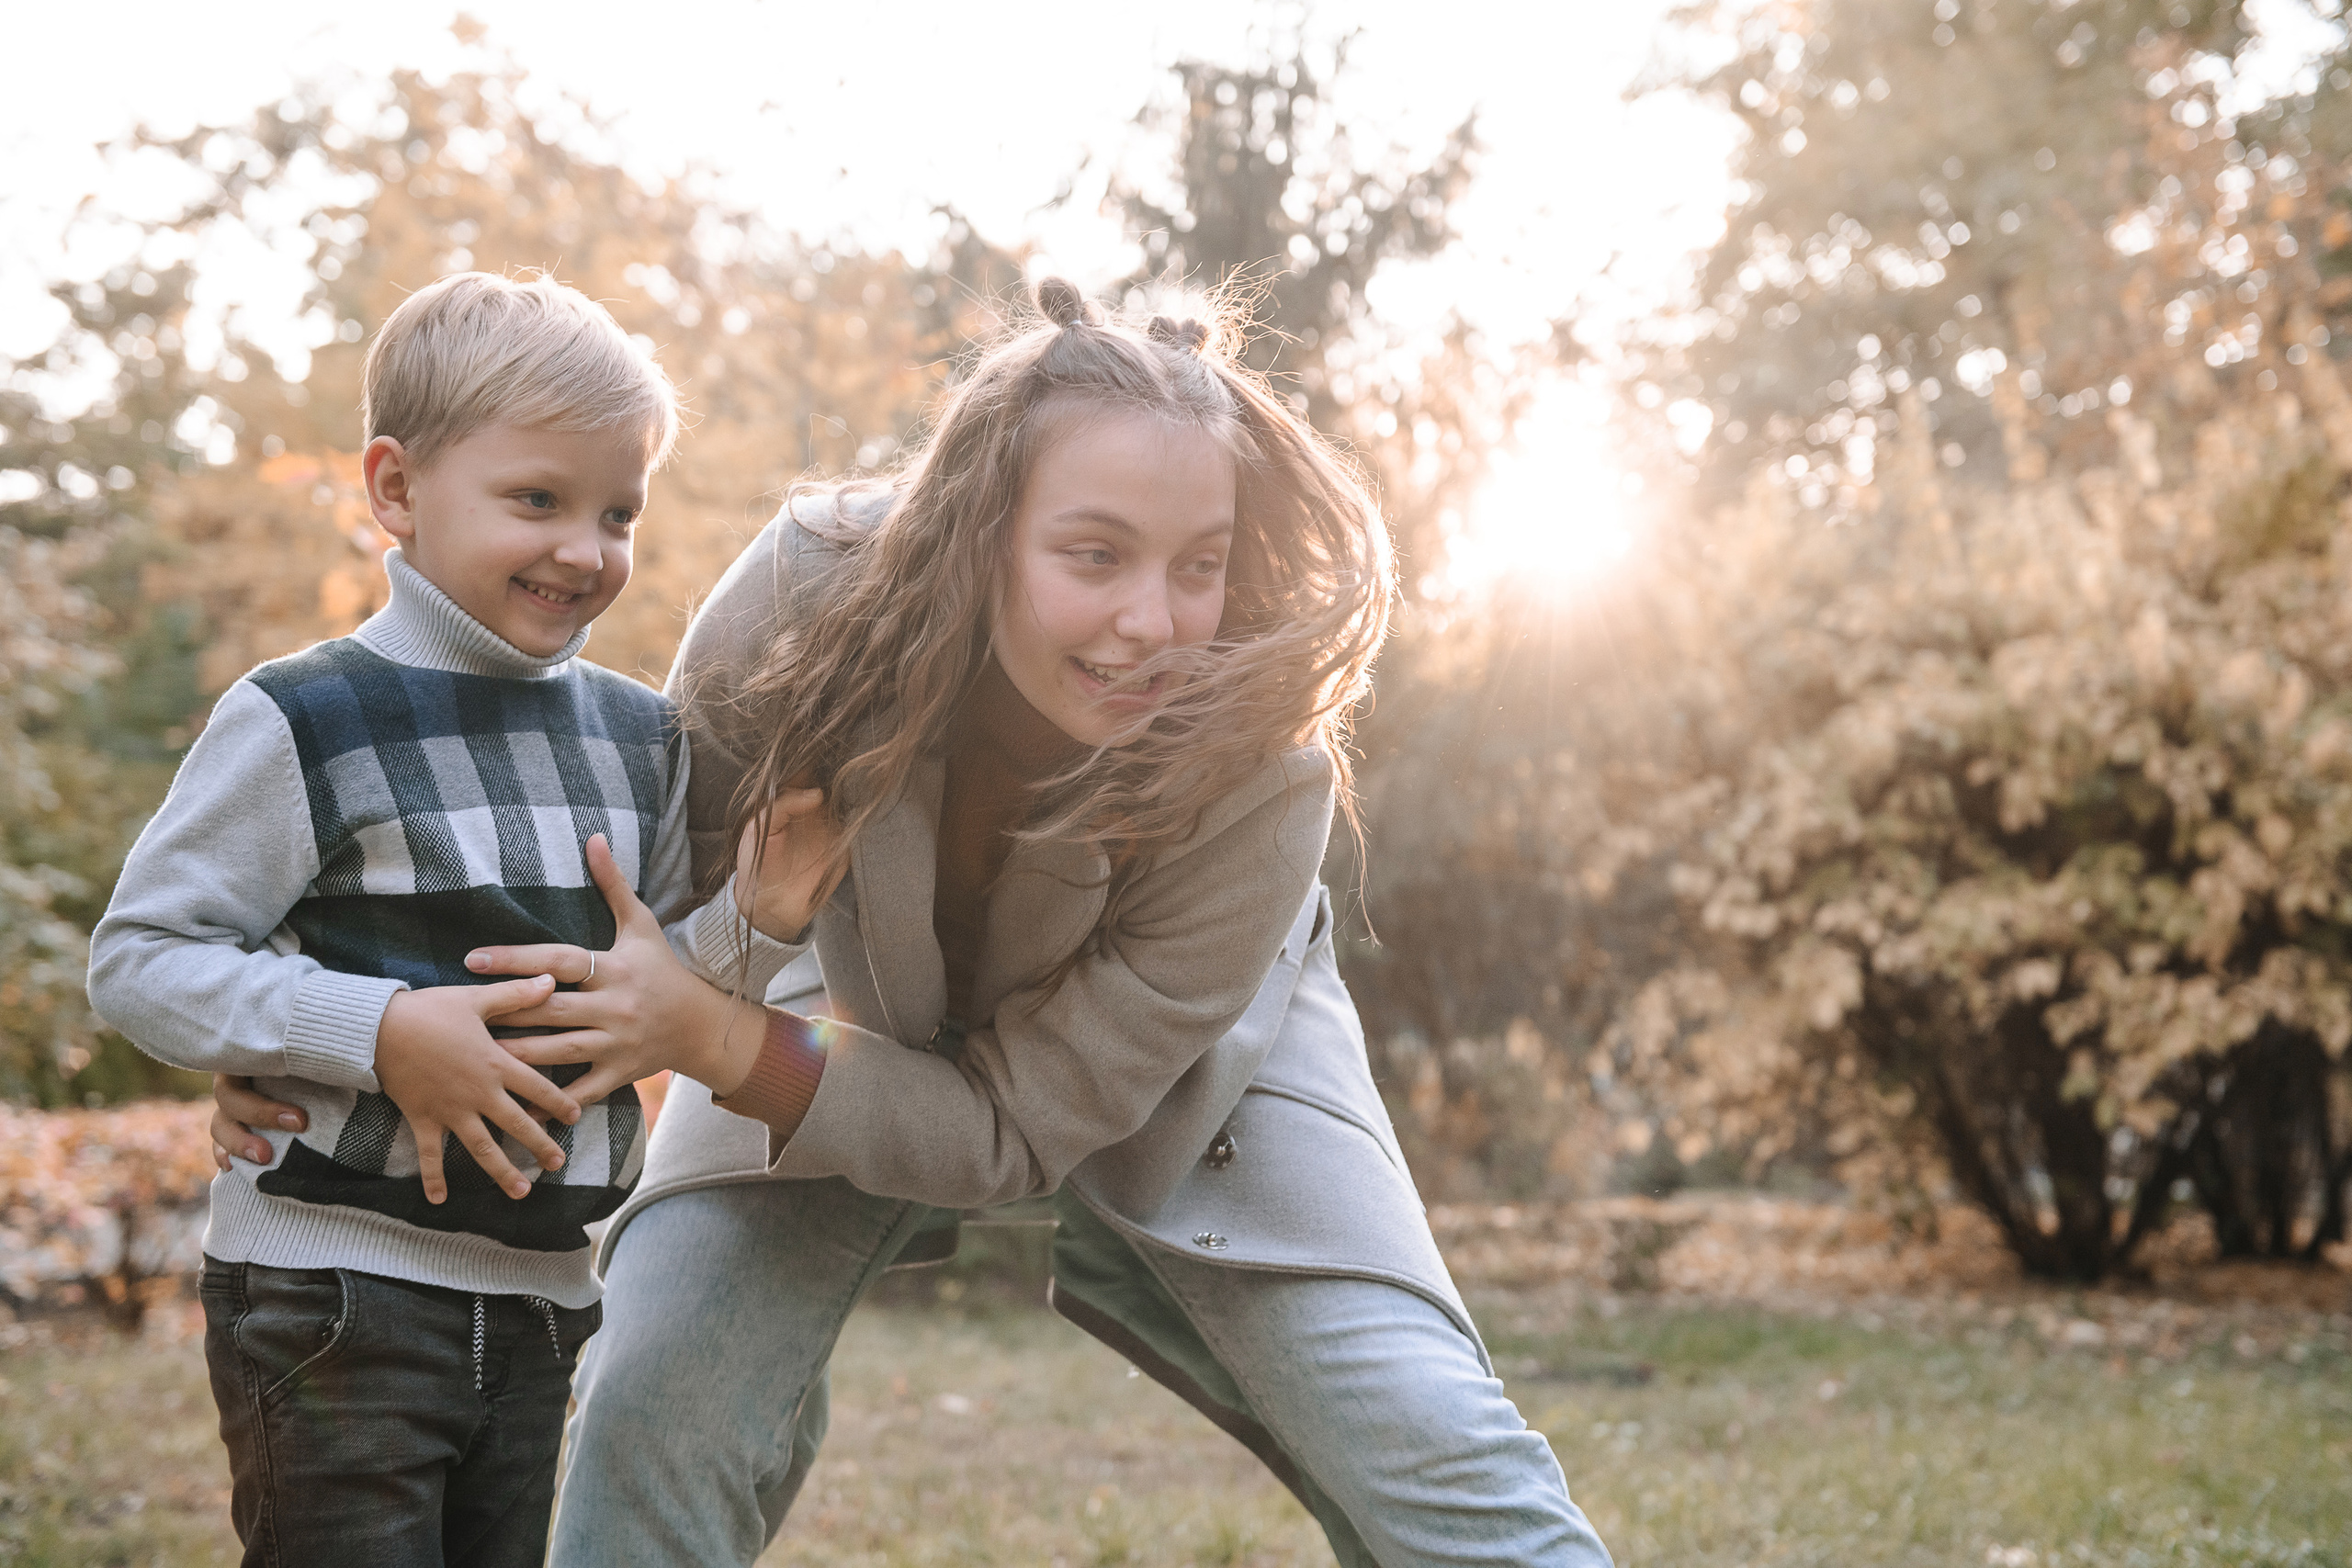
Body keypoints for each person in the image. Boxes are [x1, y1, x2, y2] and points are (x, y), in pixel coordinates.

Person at [214, 278, 1614, 1565]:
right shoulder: (808, 599)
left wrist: (719, 1039)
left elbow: (1005, 1130)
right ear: (982, 531)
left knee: (1432, 1447)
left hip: (1208, 1062)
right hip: (816, 989)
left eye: (1202, 564)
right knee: (656, 1406)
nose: (1154, 622)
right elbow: (630, 904)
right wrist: (330, 1029)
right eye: (1095, 553)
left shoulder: (1264, 766)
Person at [91, 271, 797, 1568]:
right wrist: (375, 1031)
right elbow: (142, 961)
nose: (585, 549)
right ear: (398, 489)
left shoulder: (643, 737)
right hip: (331, 1290)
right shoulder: (307, 717)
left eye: (618, 512)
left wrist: (767, 918)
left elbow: (662, 997)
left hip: (543, 1297)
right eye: (537, 500)